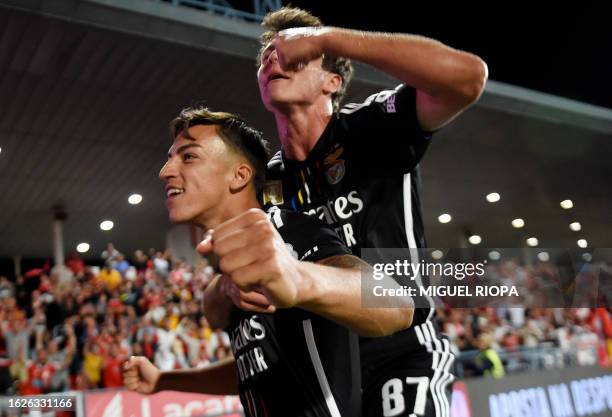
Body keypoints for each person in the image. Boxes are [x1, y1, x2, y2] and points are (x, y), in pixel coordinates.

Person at [245, 7, 489, 417]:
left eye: (294, 54)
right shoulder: (265, 186)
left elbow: (468, 78)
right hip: (319, 368)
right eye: (267, 54)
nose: (274, 58)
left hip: (399, 351)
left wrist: (326, 39)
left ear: (333, 81)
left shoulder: (371, 128)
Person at [124, 107, 413, 416]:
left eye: (188, 156)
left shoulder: (283, 230)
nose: (165, 170)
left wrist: (297, 278)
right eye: (170, 157)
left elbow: (398, 304)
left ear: (239, 175)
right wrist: (165, 380)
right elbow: (259, 370)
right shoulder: (235, 264)